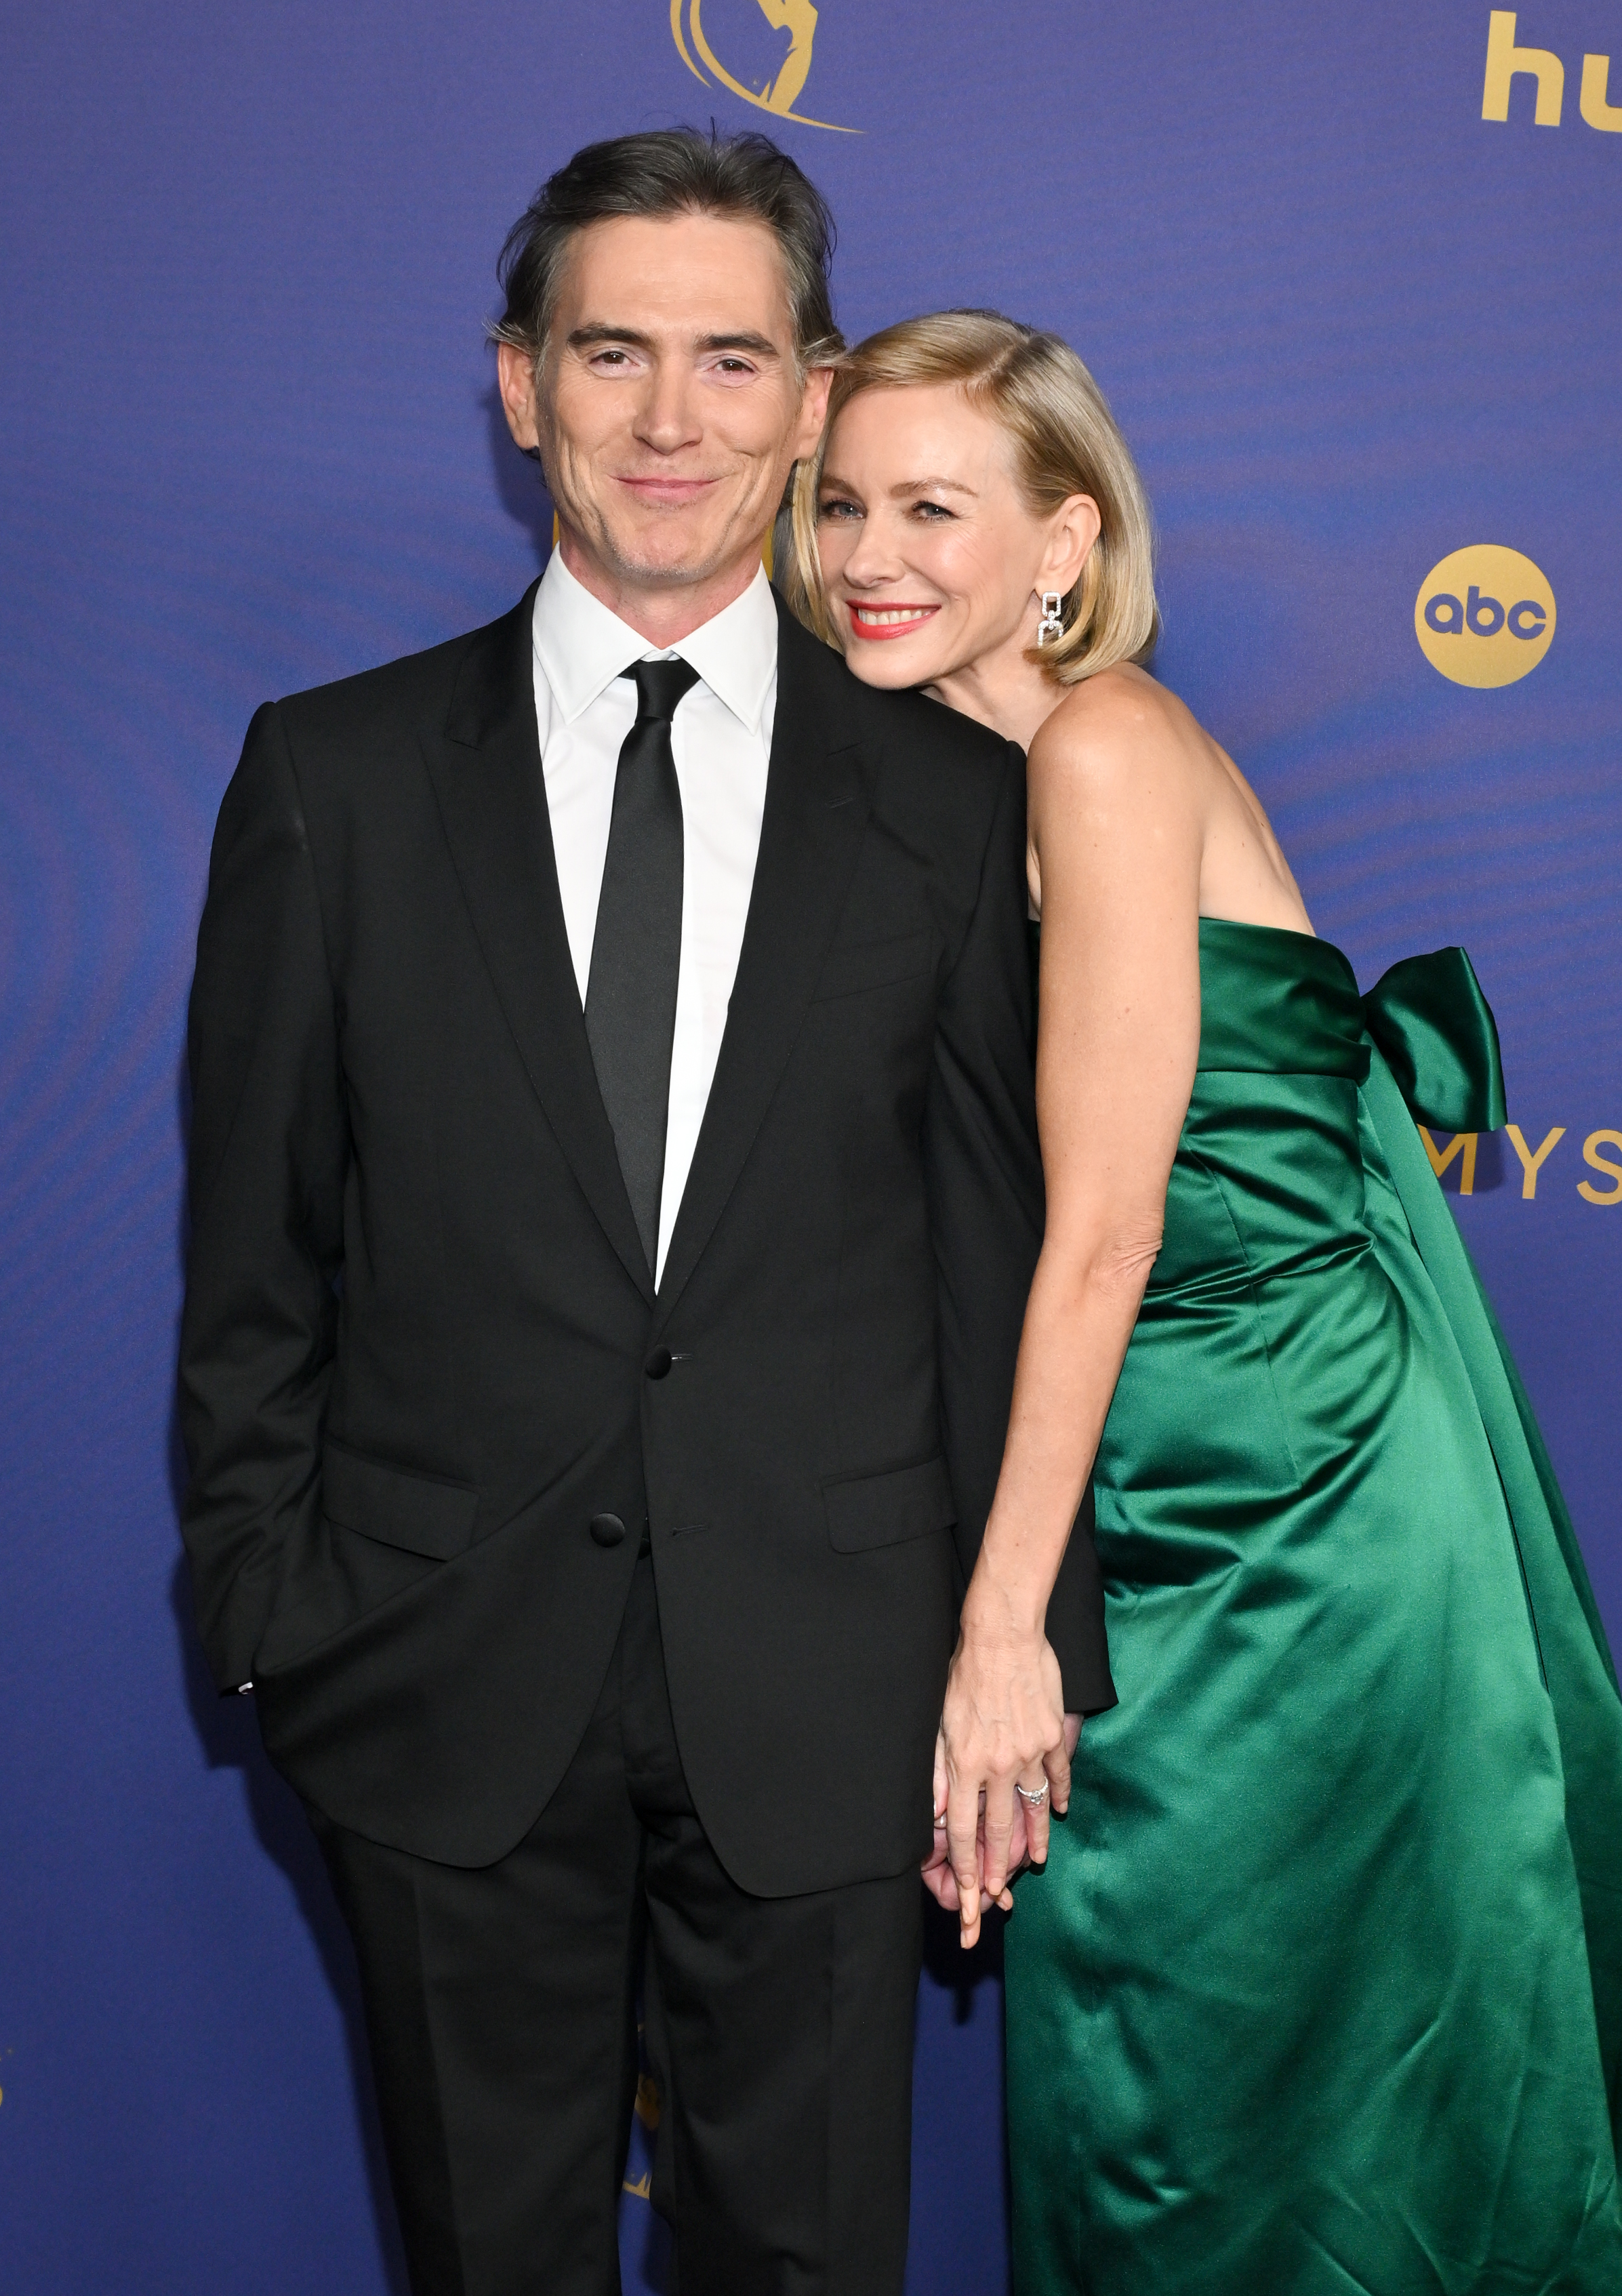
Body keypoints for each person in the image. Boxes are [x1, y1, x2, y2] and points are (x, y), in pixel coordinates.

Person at [178, 138, 1112, 2296]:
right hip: (431, 1685)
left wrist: (1021, 1653)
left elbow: (1008, 1259)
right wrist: (273, 1616)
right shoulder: (333, 777)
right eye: (611, 354)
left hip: (838, 1690)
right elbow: (252, 1268)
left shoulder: (968, 809)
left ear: (809, 395)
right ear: (521, 387)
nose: (669, 421)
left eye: (728, 358)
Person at [788, 308, 1622, 2291]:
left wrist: (999, 1632)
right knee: (1176, 2081)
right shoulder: (938, 790)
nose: (867, 554)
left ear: (1065, 543)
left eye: (932, 504)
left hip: (1289, 1510)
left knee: (1251, 2085)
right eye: (840, 505)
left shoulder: (1096, 746)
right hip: (1143, 1489)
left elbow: (1097, 1232)